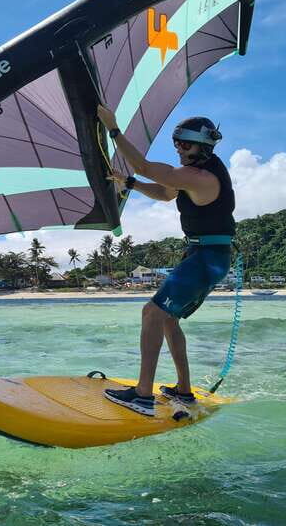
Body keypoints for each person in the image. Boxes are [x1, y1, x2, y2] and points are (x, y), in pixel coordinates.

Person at [97, 104, 235, 417]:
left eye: (183, 144)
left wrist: (114, 129)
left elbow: (146, 167)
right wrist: (129, 183)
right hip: (205, 256)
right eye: (175, 143)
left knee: (151, 313)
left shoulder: (200, 175)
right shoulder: (194, 174)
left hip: (207, 258)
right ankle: (184, 391)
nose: (178, 149)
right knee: (168, 318)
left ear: (203, 147)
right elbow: (165, 193)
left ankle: (142, 396)